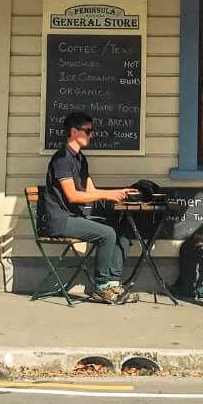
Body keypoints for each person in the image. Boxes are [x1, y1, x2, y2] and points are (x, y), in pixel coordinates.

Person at [42, 111, 137, 304]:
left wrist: (119, 192)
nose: (91, 135)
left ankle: (112, 282)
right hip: (60, 220)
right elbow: (73, 195)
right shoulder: (61, 159)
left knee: (122, 230)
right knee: (107, 234)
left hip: (74, 217)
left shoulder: (80, 159)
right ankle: (101, 287)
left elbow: (91, 190)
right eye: (88, 131)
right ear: (74, 132)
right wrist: (107, 195)